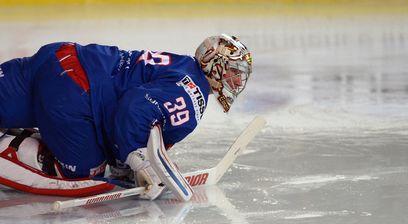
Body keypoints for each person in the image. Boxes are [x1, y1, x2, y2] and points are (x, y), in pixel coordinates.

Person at [0, 34, 252, 200]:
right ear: (214, 63)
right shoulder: (193, 93)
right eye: (234, 71)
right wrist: (141, 160)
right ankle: (10, 149)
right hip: (74, 89)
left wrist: (126, 164)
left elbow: (126, 103)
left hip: (62, 58)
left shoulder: (181, 65)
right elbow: (134, 109)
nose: (237, 81)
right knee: (85, 171)